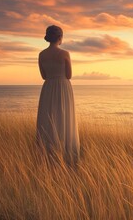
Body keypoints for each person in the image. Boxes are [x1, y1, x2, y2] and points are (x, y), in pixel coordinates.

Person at [36, 25, 80, 166]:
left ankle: (48, 153)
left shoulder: (41, 54)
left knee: (49, 118)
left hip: (48, 87)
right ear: (60, 37)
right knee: (64, 117)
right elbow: (69, 75)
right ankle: (66, 154)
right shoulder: (65, 53)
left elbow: (43, 76)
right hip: (63, 87)